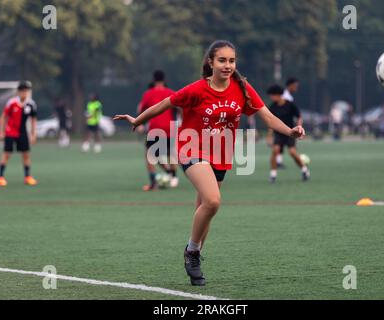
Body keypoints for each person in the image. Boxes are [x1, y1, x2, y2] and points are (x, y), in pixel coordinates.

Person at [113, 40, 305, 286]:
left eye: (232, 61)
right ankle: (192, 252)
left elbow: (266, 116)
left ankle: (195, 257)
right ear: (210, 62)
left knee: (205, 210)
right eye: (222, 60)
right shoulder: (197, 89)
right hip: (191, 148)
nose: (228, 65)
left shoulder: (242, 88)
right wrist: (138, 120)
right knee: (213, 201)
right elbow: (166, 103)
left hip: (222, 154)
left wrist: (290, 131)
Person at [137, 70, 179, 191]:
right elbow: (180, 107)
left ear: (153, 79)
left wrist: (139, 123)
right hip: (169, 128)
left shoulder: (148, 94)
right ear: (164, 79)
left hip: (155, 127)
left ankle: (154, 183)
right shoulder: (171, 93)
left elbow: (141, 109)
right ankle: (173, 176)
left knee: (150, 155)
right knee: (170, 153)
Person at [0, 81, 38, 187]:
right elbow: (4, 116)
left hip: (23, 132)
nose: (24, 93)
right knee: (7, 154)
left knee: (26, 154)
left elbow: (33, 120)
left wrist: (33, 134)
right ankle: (0, 177)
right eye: (22, 91)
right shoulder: (12, 102)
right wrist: (1, 131)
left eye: (26, 91)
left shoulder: (31, 104)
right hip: (10, 132)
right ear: (18, 92)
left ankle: (27, 177)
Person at [266, 84, 310, 182]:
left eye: (272, 95)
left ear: (278, 95)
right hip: (278, 133)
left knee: (292, 152)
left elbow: (299, 116)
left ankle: (304, 170)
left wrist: (299, 127)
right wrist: (269, 136)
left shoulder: (290, 105)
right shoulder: (272, 107)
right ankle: (273, 175)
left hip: (290, 132)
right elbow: (270, 122)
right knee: (275, 150)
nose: (271, 97)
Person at [278, 77, 300, 168]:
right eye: (295, 86)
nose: (296, 88)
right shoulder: (285, 97)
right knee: (288, 147)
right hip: (285, 125)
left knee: (280, 145)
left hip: (285, 124)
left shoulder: (288, 96)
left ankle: (279, 161)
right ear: (290, 85)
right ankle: (303, 168)